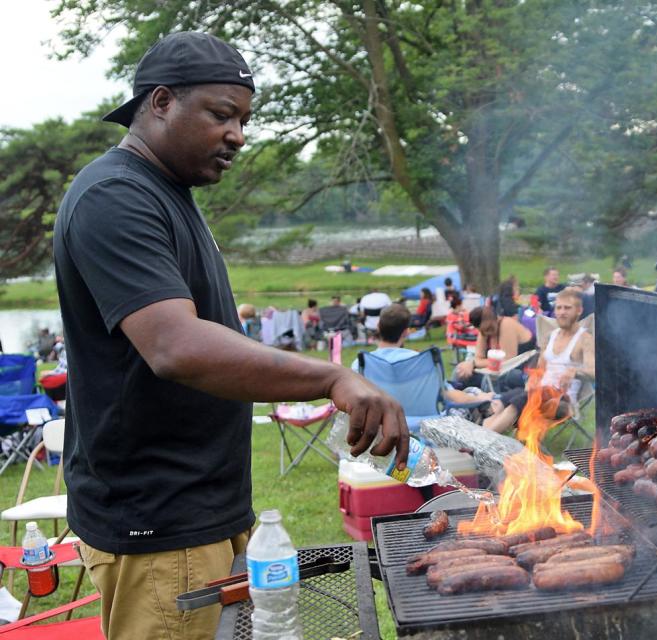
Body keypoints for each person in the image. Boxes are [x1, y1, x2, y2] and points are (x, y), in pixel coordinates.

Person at [52, 32, 407, 640]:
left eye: (244, 119)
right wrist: (331, 374)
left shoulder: (168, 193)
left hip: (204, 510)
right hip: (161, 523)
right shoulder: (116, 195)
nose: (238, 135)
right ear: (161, 102)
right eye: (222, 115)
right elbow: (176, 347)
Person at [484, 288, 595, 434]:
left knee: (516, 404)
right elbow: (539, 369)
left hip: (560, 401)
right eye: (558, 307)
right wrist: (531, 381)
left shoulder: (584, 339)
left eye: (567, 308)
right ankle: (478, 439)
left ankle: (480, 444)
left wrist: (575, 371)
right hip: (538, 393)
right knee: (499, 403)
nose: (562, 312)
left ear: (579, 310)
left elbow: (595, 371)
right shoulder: (551, 336)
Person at [352, 303, 493, 405]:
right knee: (474, 393)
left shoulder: (360, 364)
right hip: (423, 428)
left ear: (378, 327)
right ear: (406, 332)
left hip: (381, 428)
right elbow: (450, 396)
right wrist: (482, 397)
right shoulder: (421, 362)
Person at [453, 305, 536, 389]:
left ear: (496, 318)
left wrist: (474, 363)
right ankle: (457, 395)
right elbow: (478, 358)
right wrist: (471, 364)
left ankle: (485, 399)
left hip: (521, 371)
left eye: (489, 328)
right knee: (460, 370)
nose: (488, 332)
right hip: (499, 371)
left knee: (493, 379)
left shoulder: (506, 324)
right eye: (484, 330)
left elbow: (508, 362)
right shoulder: (484, 331)